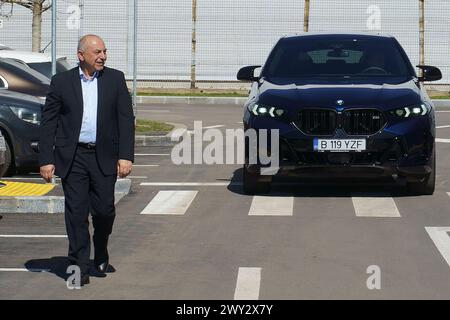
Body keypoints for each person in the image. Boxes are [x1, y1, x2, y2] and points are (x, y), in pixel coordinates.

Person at [39, 34, 135, 286]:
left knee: (104, 210)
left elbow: (126, 119)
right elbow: (49, 122)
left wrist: (125, 155)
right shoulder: (61, 82)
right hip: (73, 157)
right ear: (81, 55)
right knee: (76, 213)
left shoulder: (115, 79)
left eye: (104, 51)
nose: (102, 56)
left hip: (104, 155)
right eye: (97, 52)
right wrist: (46, 159)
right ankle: (79, 267)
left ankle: (101, 247)